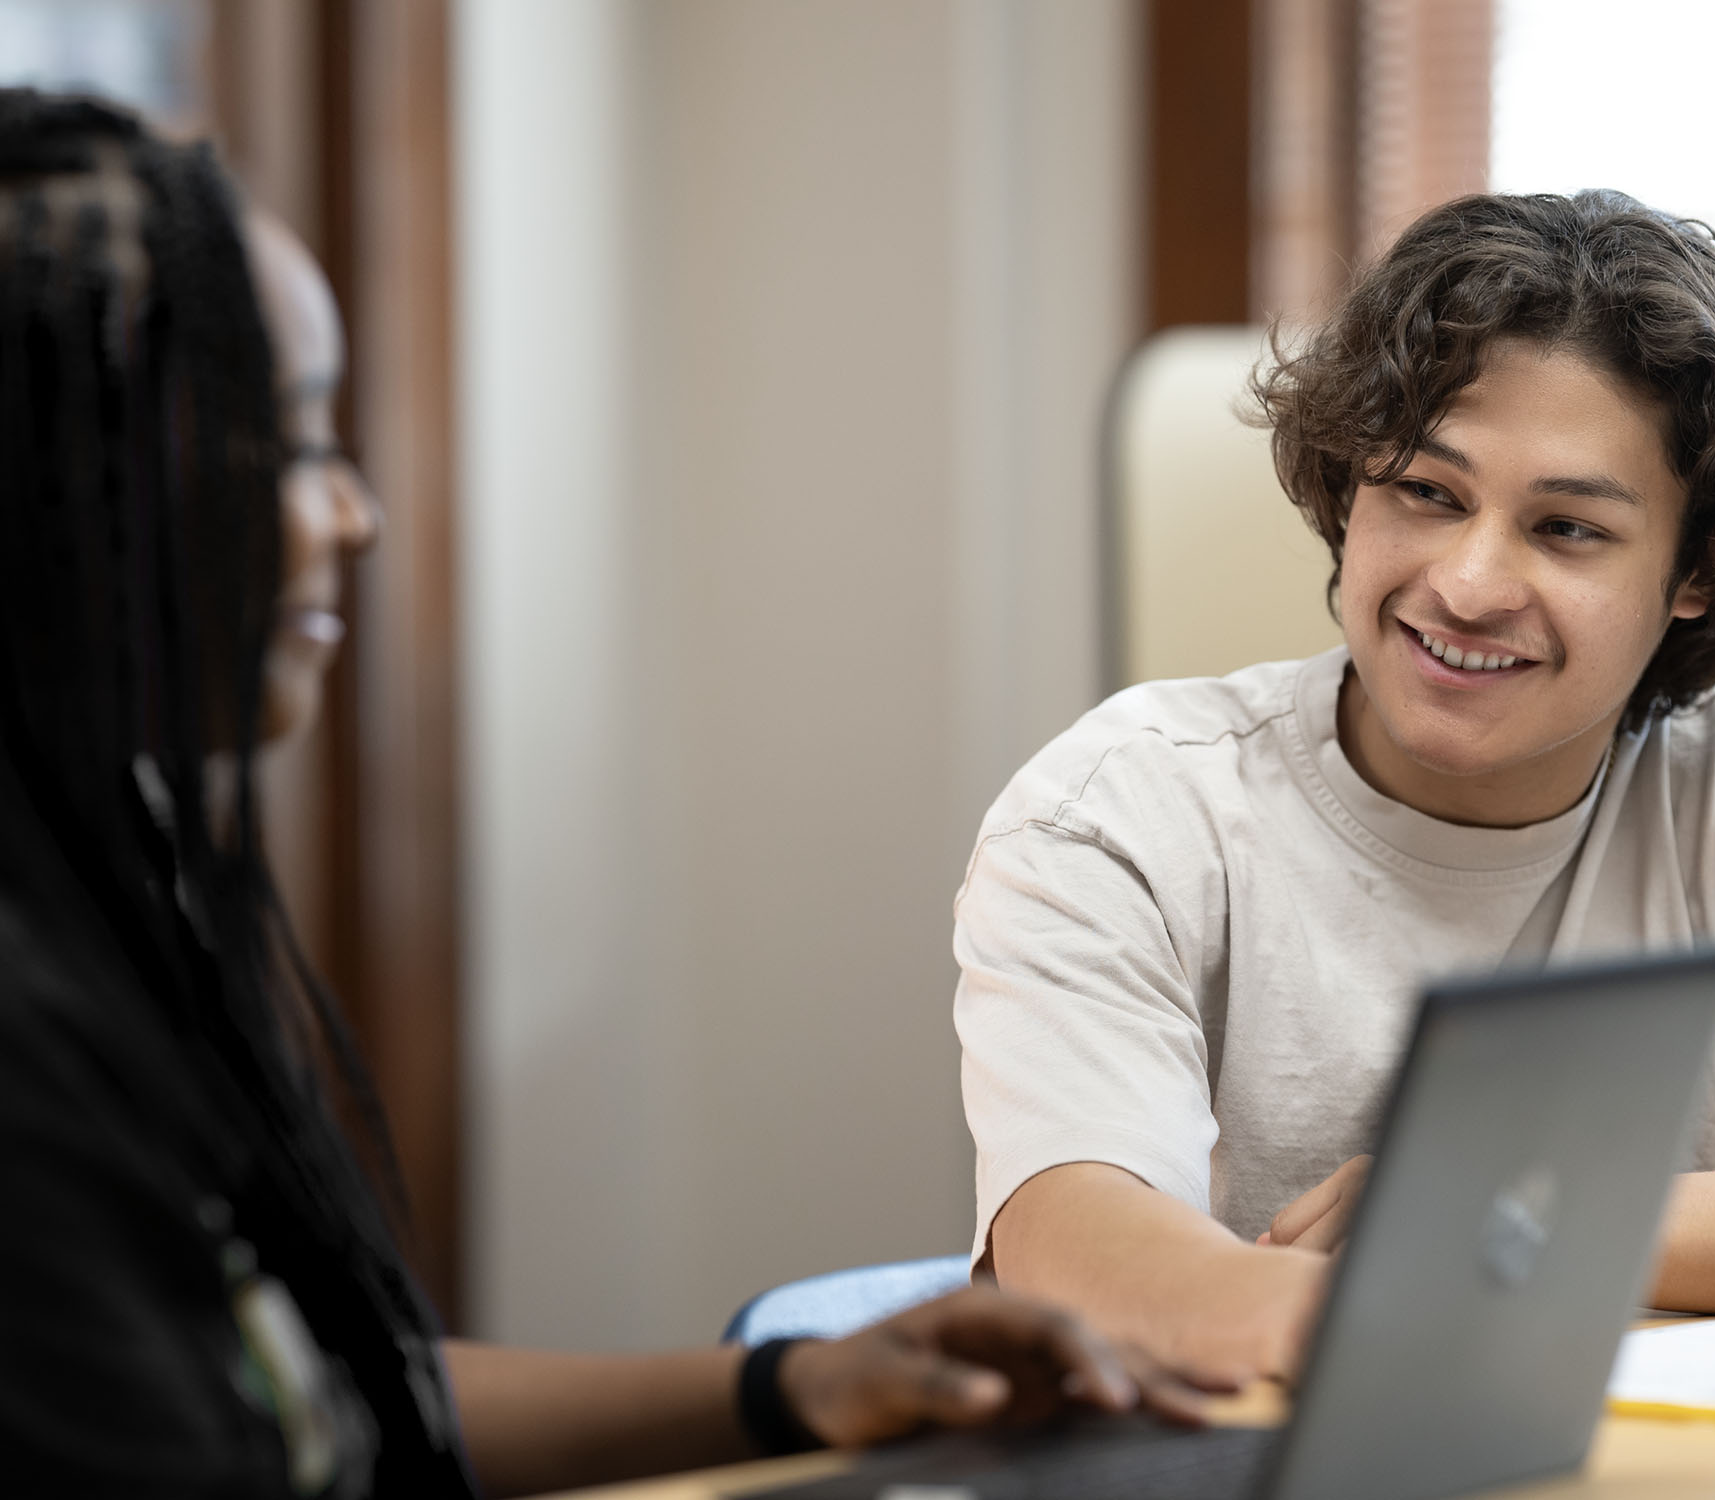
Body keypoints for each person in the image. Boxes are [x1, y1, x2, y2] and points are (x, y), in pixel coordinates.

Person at [0, 90, 1202, 1498]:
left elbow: (324, 1396)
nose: (355, 514)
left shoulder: (93, 898)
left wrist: (796, 1386)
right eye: (299, 443)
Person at [955, 191, 1715, 1382]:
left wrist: (1498, 1220)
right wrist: (1413, 1289)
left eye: (1566, 529)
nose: (1471, 583)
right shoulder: (1118, 811)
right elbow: (1081, 1253)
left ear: (1701, 567)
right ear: (1350, 489)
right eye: (1427, 494)